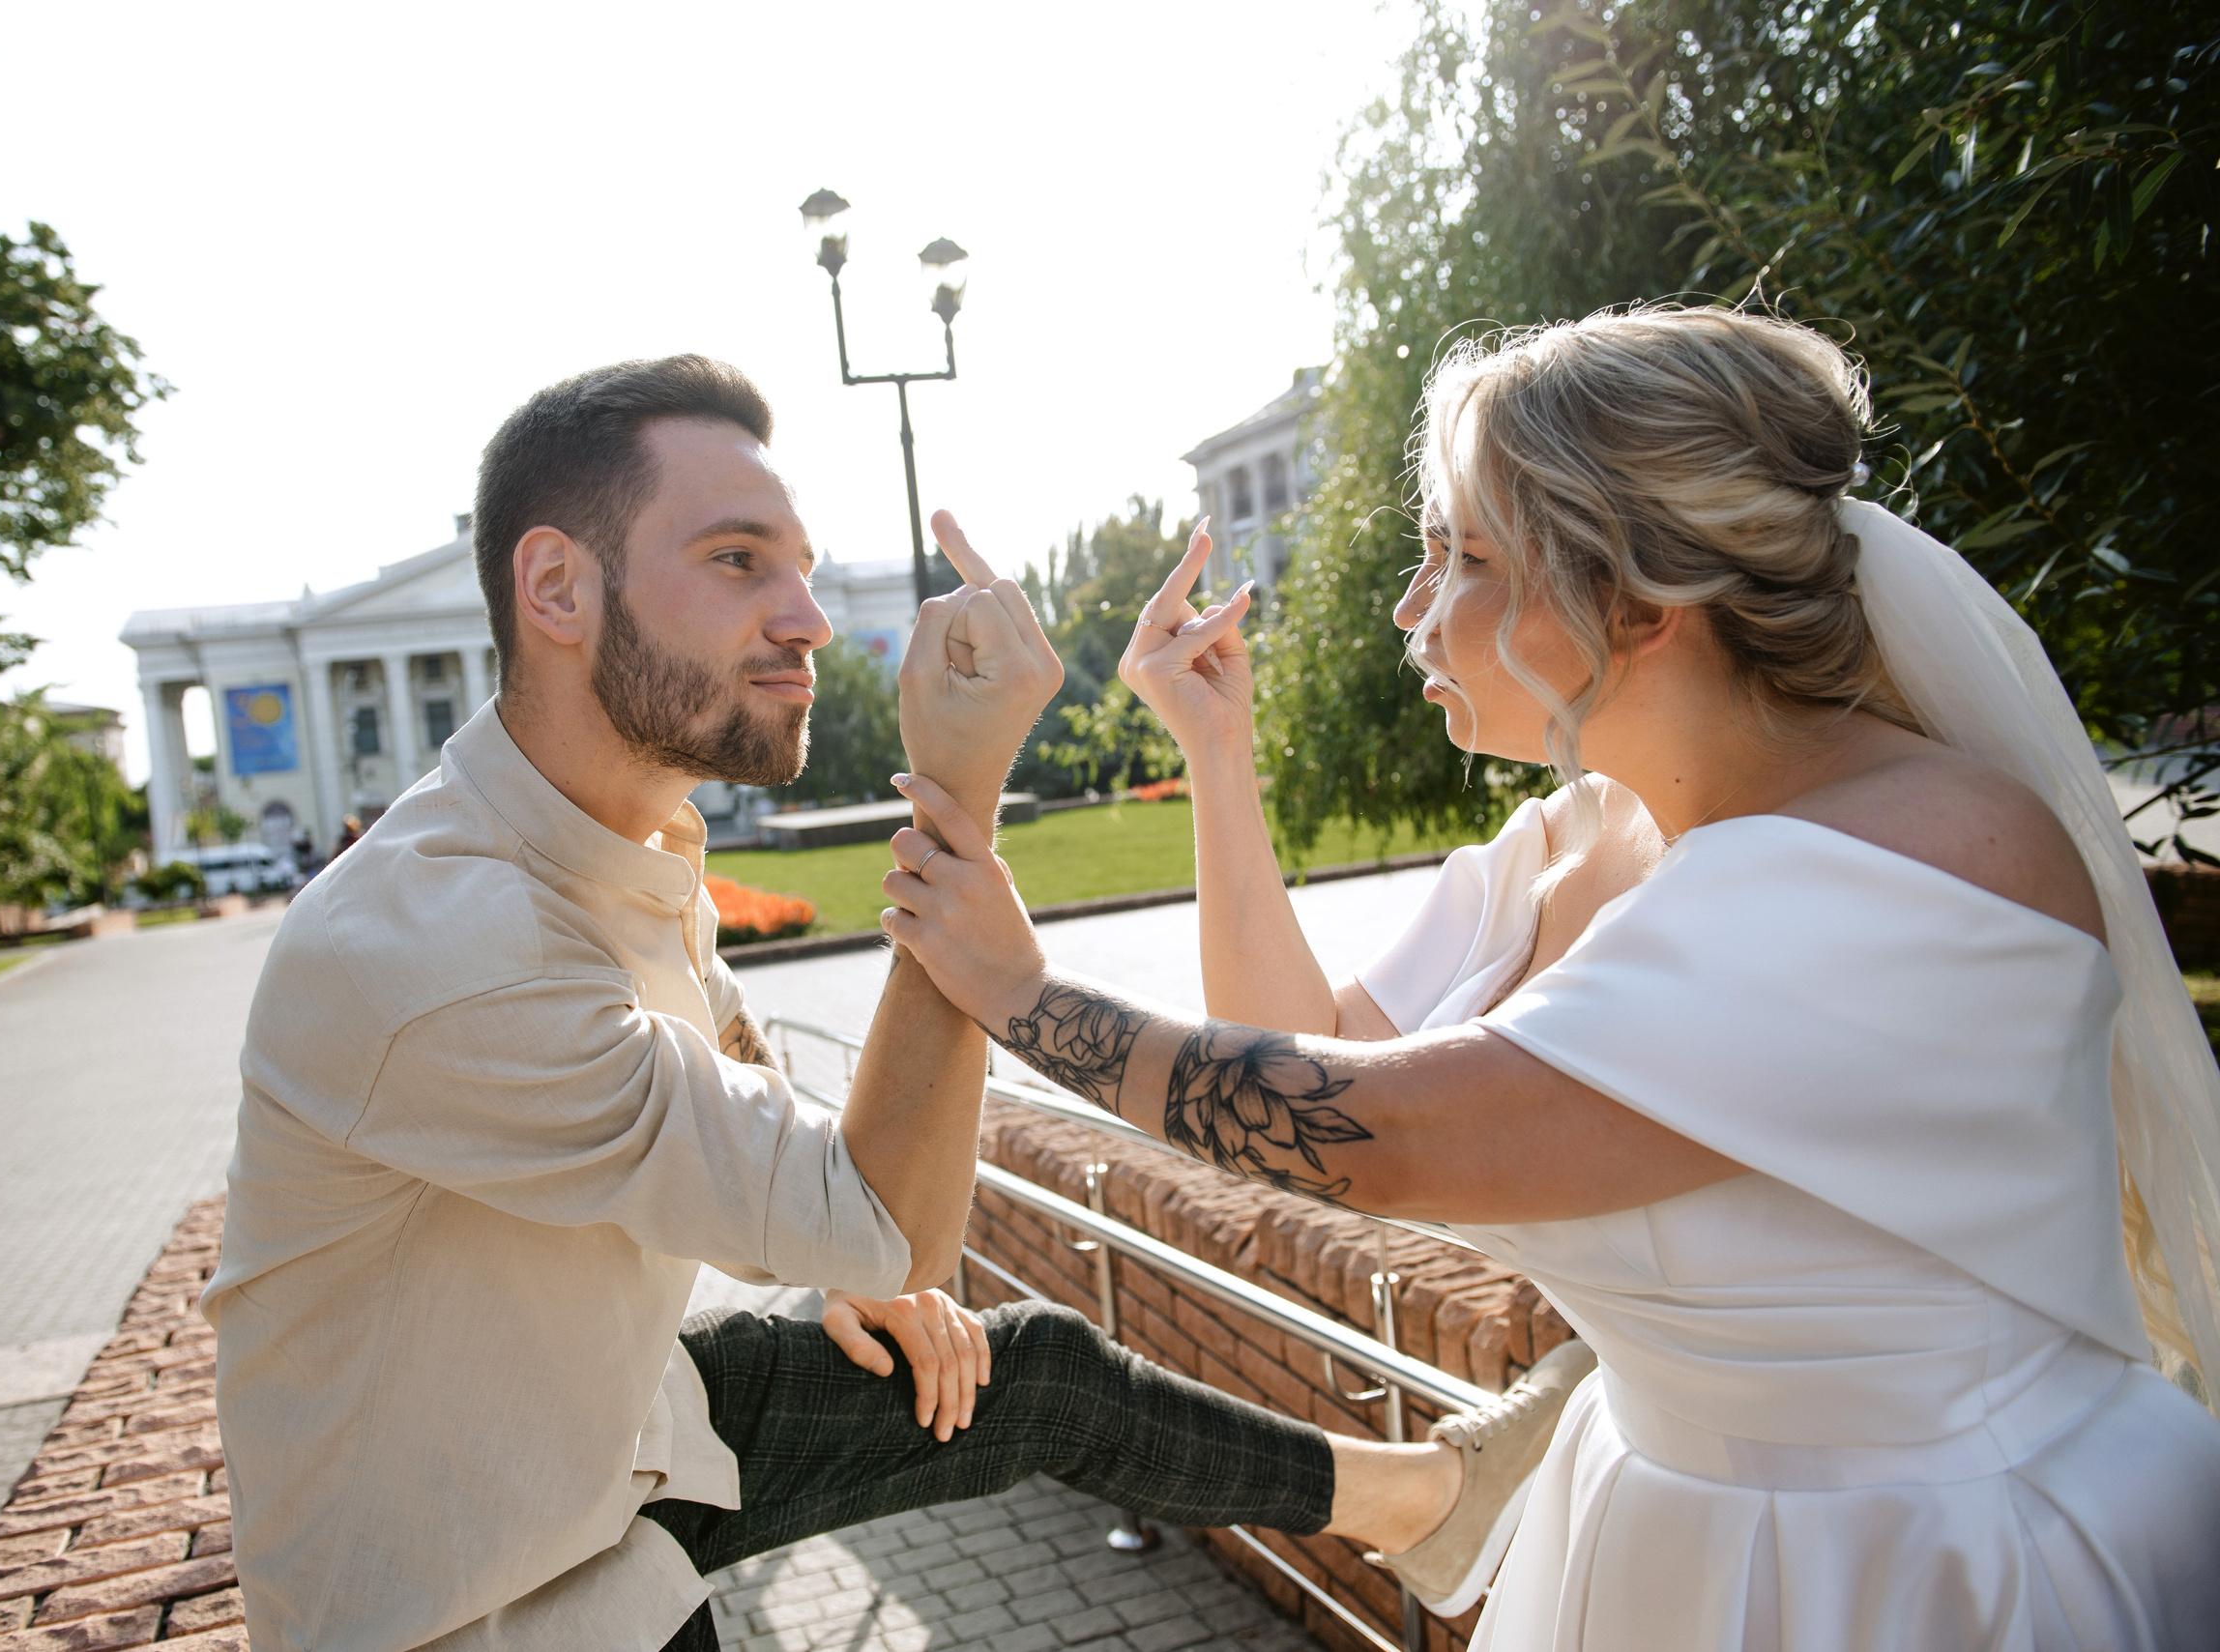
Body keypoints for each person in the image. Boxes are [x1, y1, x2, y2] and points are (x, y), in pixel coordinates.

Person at [879, 305, 2220, 1649]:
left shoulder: (1930, 855)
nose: (1412, 607)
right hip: (1666, 1538)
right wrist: (1216, 752)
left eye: (1461, 555)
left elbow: (1381, 1135)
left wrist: (1022, 997)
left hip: (1937, 1565)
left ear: (1633, 598)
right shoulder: (1577, 839)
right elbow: (1305, 1043)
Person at [200, 355, 1542, 1652]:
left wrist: (846, 1267)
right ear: (556, 585)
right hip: (487, 1601)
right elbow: (889, 1222)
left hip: (603, 1435)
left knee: (1027, 1375)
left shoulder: (624, 855)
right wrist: (954, 796)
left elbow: (808, 1183)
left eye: (798, 562)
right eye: (738, 561)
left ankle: (1426, 1502)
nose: (810, 617)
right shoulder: (449, 944)